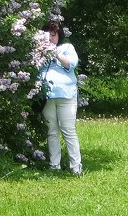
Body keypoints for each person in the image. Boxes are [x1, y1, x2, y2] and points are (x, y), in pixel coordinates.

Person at [39, 19, 82, 175]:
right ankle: (54, 165)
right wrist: (41, 53)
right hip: (47, 97)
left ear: (59, 35)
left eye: (53, 35)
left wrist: (54, 52)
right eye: (48, 35)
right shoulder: (39, 50)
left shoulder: (67, 47)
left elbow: (70, 64)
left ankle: (76, 167)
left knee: (68, 130)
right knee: (51, 131)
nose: (51, 38)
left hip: (66, 95)